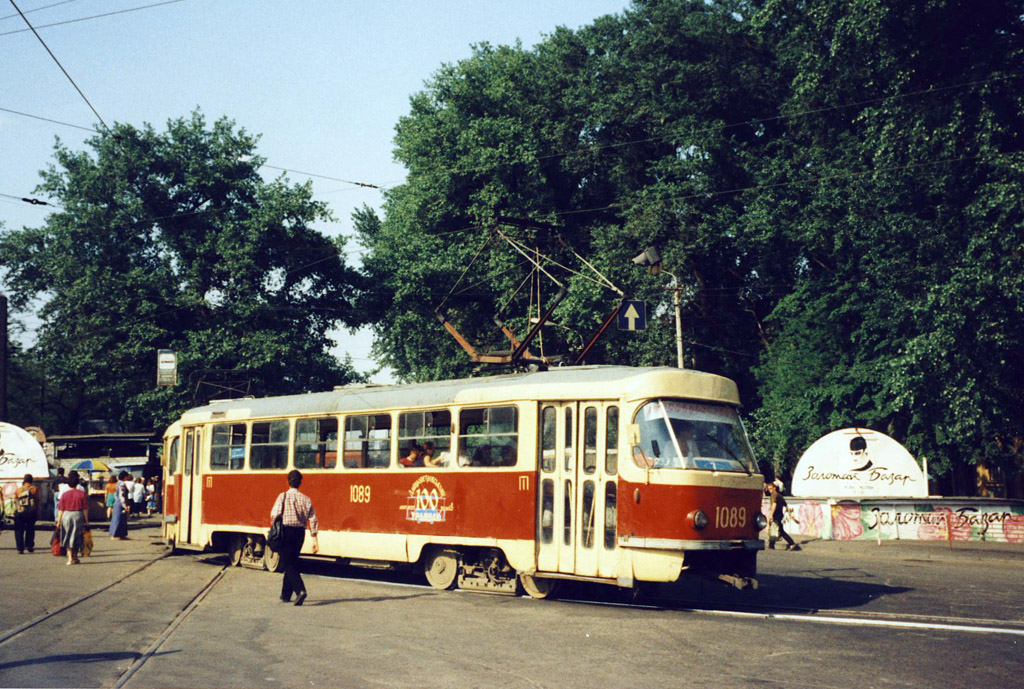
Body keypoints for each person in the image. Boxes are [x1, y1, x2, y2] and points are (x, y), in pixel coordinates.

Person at [269, 470, 319, 605]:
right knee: (292, 561)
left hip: (286, 532)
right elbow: (313, 519)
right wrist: (315, 540)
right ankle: (285, 595)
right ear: (300, 483)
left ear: (288, 482)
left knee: (287, 563)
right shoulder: (306, 499)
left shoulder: (283, 496)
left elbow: (274, 514)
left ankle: (300, 590)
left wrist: (274, 526)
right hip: (300, 534)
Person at [58, 472, 89, 565]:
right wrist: (87, 521)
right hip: (78, 515)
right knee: (77, 536)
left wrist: (58, 521)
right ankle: (75, 556)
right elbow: (85, 509)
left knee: (67, 535)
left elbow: (60, 509)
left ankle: (69, 558)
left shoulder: (64, 494)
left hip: (66, 516)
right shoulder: (82, 493)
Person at [766, 481, 799, 551]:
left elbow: (774, 505)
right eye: (768, 489)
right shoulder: (780, 496)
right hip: (779, 515)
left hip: (776, 515)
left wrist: (771, 515)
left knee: (780, 531)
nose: (769, 490)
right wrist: (790, 515)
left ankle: (792, 543)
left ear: (774, 488)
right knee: (774, 529)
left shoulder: (774, 495)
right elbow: (786, 505)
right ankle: (771, 545)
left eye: (771, 488)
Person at [13, 474, 40, 554]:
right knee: (30, 529)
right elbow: (37, 501)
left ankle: (20, 548)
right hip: (31, 512)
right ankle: (29, 545)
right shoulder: (34, 489)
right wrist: (37, 512)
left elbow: (16, 500)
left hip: (20, 512)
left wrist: (14, 511)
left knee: (19, 530)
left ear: (24, 481)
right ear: (32, 480)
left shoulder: (19, 489)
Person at [109, 471, 131, 540]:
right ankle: (114, 535)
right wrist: (124, 505)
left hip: (117, 502)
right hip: (120, 503)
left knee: (122, 519)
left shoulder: (118, 483)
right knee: (117, 519)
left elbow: (116, 494)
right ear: (125, 477)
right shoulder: (121, 484)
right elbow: (122, 495)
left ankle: (122, 534)